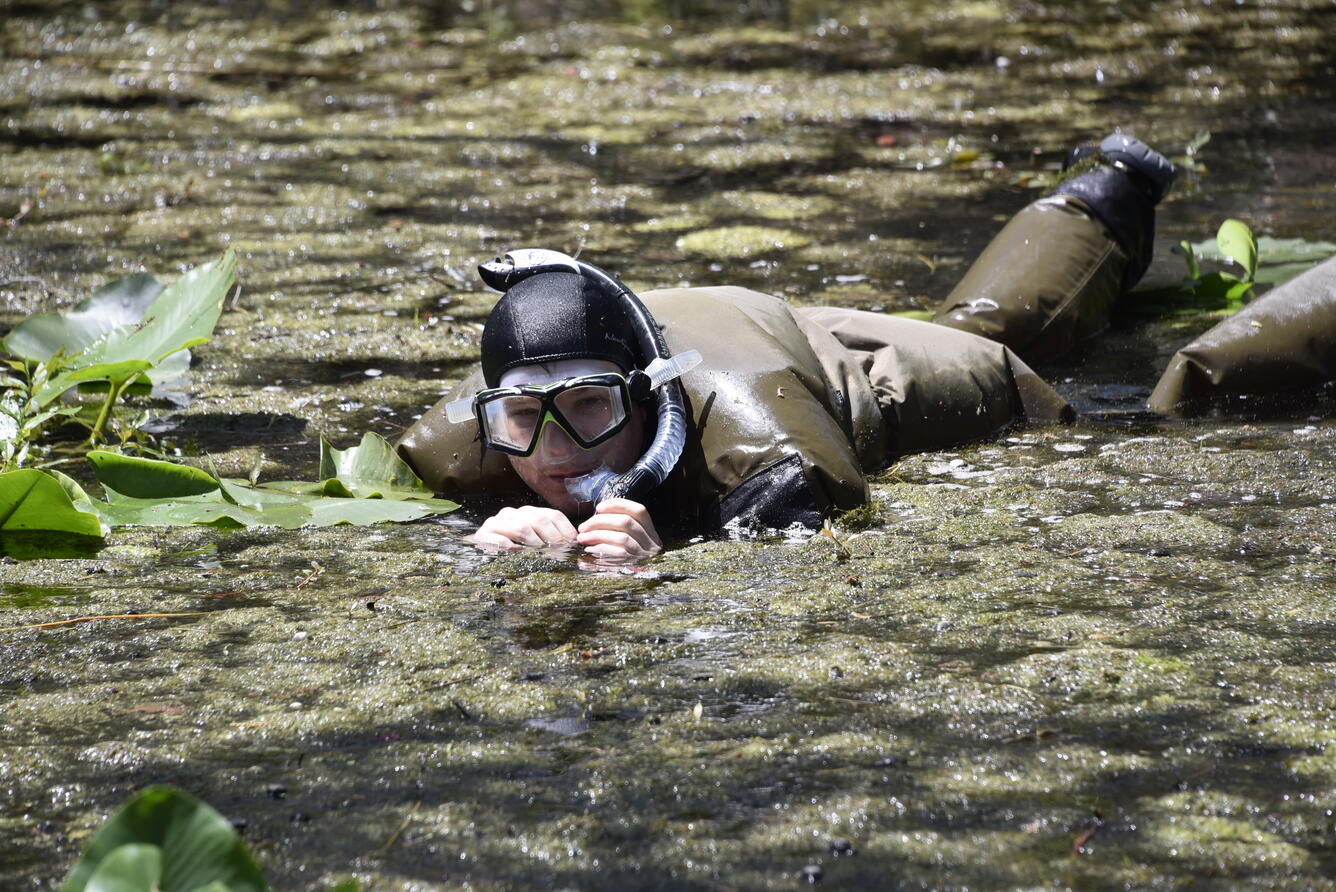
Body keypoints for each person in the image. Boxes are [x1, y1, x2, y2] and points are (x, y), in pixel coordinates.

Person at [399, 133, 1331, 559]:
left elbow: (815, 558)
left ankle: (1111, 193)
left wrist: (650, 577)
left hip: (823, 375)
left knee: (1125, 387)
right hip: (734, 329)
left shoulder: (761, 442)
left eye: (591, 409)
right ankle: (1105, 195)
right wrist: (487, 562)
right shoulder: (467, 442)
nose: (555, 454)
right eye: (525, 419)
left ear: (648, 394)